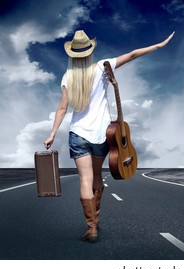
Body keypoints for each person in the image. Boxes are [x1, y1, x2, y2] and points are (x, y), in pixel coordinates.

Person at [44, 29, 174, 243]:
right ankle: (96, 220)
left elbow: (62, 108)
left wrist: (51, 134)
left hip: (78, 134)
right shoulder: (103, 66)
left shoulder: (68, 76)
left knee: (84, 180)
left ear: (73, 54)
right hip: (102, 135)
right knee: (96, 177)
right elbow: (132, 55)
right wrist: (158, 46)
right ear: (90, 51)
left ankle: (91, 227)